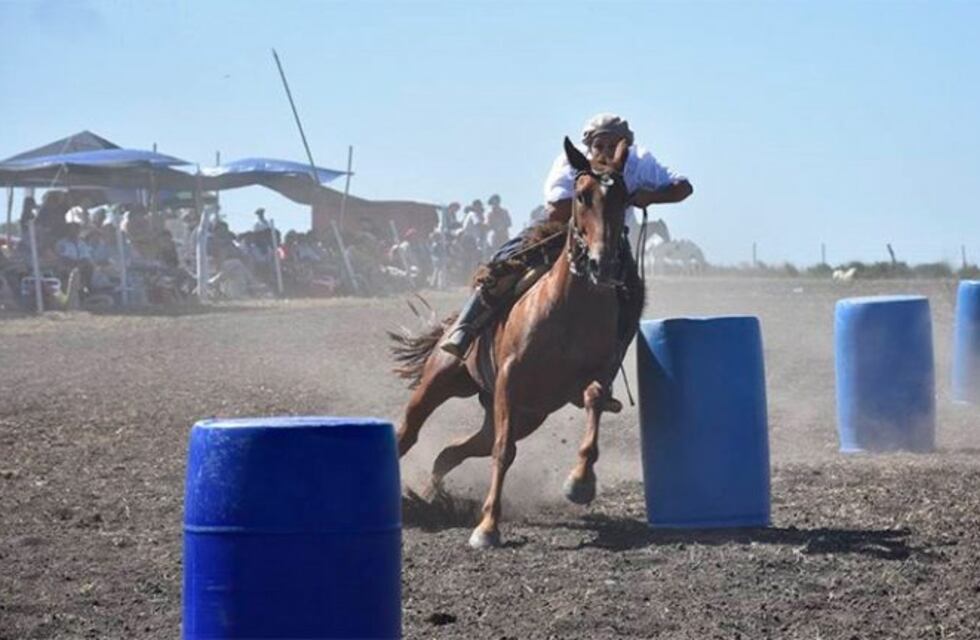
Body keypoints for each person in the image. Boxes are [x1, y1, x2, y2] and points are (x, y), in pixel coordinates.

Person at [440, 113, 693, 359]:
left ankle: (610, 363)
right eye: (599, 145)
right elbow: (556, 210)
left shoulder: (640, 161)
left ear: (624, 147)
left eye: (613, 145)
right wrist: (595, 197)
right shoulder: (571, 163)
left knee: (633, 296)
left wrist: (650, 196)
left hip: (614, 239)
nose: (605, 151)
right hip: (563, 230)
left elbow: (683, 187)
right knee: (506, 263)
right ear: (588, 146)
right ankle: (464, 328)